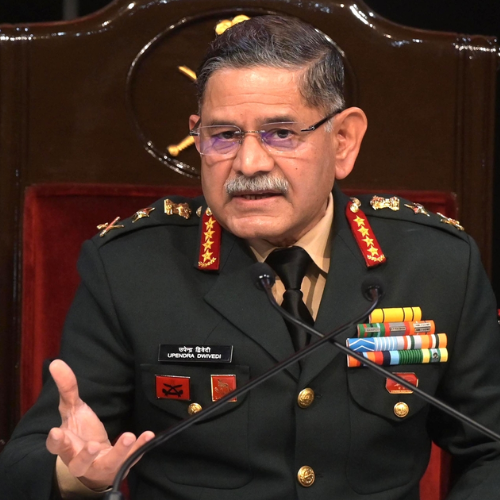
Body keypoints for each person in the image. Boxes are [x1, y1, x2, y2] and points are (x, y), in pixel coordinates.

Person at [1, 14, 500, 500]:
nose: (249, 163)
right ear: (197, 137)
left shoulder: (438, 264)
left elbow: (492, 450)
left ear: (343, 141)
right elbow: (23, 463)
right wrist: (78, 478)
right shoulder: (129, 268)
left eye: (281, 133)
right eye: (224, 135)